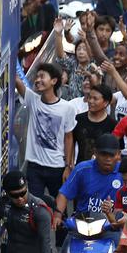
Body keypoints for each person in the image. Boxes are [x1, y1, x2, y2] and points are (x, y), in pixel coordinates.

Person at [15, 63, 77, 200]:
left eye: (42, 76)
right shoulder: (33, 100)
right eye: (36, 77)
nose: (37, 80)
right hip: (34, 166)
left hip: (57, 166)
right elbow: (17, 81)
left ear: (54, 81)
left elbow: (69, 138)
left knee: (59, 206)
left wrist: (68, 166)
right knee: (34, 206)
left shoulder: (67, 108)